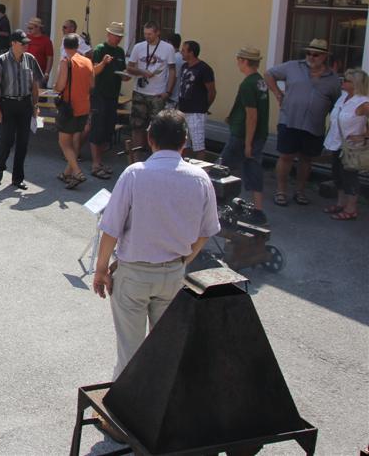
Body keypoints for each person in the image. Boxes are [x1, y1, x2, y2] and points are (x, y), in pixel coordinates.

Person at [92, 109, 220, 382]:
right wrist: (183, 261)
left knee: (130, 350)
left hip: (134, 274)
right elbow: (207, 231)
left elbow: (111, 229)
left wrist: (101, 269)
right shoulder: (200, 179)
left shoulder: (135, 174)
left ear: (150, 139)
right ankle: (157, 408)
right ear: (184, 142)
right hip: (172, 273)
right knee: (165, 349)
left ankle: (124, 409)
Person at [266, 38, 342, 207]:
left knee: (307, 159)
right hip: (289, 119)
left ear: (324, 56)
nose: (311, 57)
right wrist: (278, 93)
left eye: (315, 54)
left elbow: (336, 105)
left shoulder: (333, 79)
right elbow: (269, 74)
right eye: (308, 53)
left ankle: (300, 191)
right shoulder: (293, 66)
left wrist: (334, 129)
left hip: (314, 124)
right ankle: (281, 191)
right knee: (286, 156)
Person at [220, 46, 270, 225]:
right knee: (253, 169)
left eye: (239, 59)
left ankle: (219, 207)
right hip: (257, 134)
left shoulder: (248, 84)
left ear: (244, 61)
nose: (237, 63)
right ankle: (257, 209)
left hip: (242, 135)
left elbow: (251, 114)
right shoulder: (260, 82)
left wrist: (248, 142)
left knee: (223, 169)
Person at [0, 29, 42, 189]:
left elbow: (35, 85)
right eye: (23, 43)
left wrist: (35, 105)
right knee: (7, 140)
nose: (26, 46)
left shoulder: (30, 59)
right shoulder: (2, 60)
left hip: (25, 104)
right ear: (13, 43)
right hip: (8, 104)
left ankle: (17, 178)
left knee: (23, 142)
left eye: (27, 43)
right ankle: (0, 165)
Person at [322, 68, 369, 221]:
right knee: (337, 174)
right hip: (336, 143)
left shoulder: (363, 103)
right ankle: (341, 203)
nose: (344, 81)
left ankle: (351, 208)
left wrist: (363, 135)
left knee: (350, 177)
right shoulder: (343, 98)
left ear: (356, 84)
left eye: (347, 80)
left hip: (350, 148)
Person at [126, 22, 176, 155]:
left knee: (156, 127)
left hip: (158, 94)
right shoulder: (138, 47)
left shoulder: (168, 48)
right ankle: (135, 157)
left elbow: (172, 71)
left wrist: (168, 92)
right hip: (140, 92)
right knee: (137, 125)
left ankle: (155, 156)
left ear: (157, 33)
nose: (147, 37)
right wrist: (142, 72)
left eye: (150, 34)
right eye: (145, 34)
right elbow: (129, 67)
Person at [89, 22, 130, 179]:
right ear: (109, 35)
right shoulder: (100, 49)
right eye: (116, 35)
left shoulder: (120, 51)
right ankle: (95, 163)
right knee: (97, 128)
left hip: (113, 95)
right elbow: (93, 71)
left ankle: (100, 162)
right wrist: (104, 63)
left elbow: (123, 73)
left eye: (120, 36)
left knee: (108, 129)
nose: (118, 39)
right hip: (100, 94)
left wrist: (125, 76)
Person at [54, 34, 94, 189]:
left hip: (69, 107)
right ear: (78, 46)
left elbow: (60, 86)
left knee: (64, 142)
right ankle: (67, 173)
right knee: (75, 139)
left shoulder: (66, 62)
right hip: (84, 106)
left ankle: (77, 172)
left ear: (64, 46)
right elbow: (92, 85)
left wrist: (56, 88)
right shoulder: (88, 61)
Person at [177, 40, 216, 158]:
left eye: (183, 50)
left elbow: (212, 91)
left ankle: (202, 170)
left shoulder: (204, 69)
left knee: (198, 145)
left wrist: (204, 106)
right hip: (183, 110)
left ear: (191, 52)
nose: (181, 52)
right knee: (184, 143)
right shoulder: (184, 66)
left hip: (196, 112)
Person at [25, 17, 53, 82]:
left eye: (31, 28)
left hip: (39, 73)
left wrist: (47, 73)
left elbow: (50, 58)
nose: (29, 30)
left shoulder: (46, 41)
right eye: (28, 28)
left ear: (38, 28)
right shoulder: (26, 38)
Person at [167, 33, 184, 108]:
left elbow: (174, 77)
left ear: (170, 43)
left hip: (173, 97)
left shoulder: (175, 58)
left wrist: (168, 92)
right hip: (176, 96)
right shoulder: (180, 57)